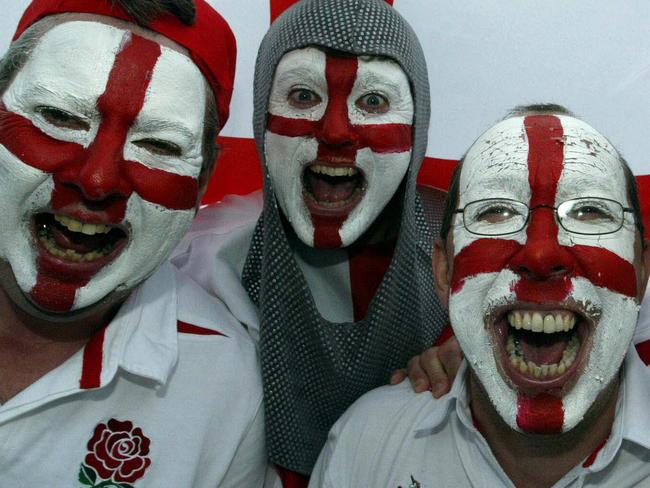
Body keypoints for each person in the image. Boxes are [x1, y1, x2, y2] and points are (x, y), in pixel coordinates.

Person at [172, 0, 448, 482]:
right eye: (302, 96)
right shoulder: (195, 261)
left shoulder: (473, 262)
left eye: (374, 101)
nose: (336, 132)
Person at [309, 105, 650, 487]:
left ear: (641, 269)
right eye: (496, 212)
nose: (540, 255)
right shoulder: (366, 447)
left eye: (588, 212)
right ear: (443, 270)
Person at [0, 1, 266, 486]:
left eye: (160, 146)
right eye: (59, 116)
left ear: (202, 183)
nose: (98, 180)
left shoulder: (221, 382)